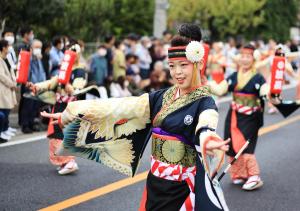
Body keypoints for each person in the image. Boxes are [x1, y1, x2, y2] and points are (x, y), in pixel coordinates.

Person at [41, 24, 230, 211]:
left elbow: (207, 123)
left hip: (183, 188)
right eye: (172, 66)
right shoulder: (161, 97)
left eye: (183, 65)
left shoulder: (204, 101)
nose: (177, 72)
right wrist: (74, 111)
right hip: (156, 182)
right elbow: (119, 106)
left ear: (198, 64)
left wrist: (208, 140)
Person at [209, 44, 271, 191]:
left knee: (245, 145)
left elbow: (265, 90)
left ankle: (254, 176)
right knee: (231, 145)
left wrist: (270, 93)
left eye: (248, 56)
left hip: (250, 116)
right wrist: (206, 83)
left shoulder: (258, 78)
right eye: (242, 56)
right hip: (234, 115)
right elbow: (220, 90)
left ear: (253, 59)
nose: (244, 59)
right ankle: (239, 173)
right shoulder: (234, 76)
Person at [27, 43, 87, 175]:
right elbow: (51, 83)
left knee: (63, 134)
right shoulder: (64, 69)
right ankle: (64, 161)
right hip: (59, 105)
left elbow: (77, 88)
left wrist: (68, 85)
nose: (70, 53)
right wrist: (36, 86)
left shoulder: (79, 71)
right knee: (56, 133)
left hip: (70, 107)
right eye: (68, 51)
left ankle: (70, 161)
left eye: (73, 51)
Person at [19, 39, 46, 133]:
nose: (38, 49)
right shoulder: (27, 58)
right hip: (29, 85)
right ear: (31, 48)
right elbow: (26, 72)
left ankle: (31, 124)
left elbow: (42, 72)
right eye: (36, 47)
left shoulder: (38, 58)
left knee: (34, 107)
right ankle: (25, 125)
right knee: (27, 106)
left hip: (37, 87)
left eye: (40, 48)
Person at [0, 40, 17, 141]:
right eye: (8, 46)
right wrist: (11, 84)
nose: (9, 48)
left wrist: (14, 82)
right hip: (3, 88)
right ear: (3, 48)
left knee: (7, 109)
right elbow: (1, 75)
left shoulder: (6, 58)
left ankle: (5, 129)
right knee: (3, 109)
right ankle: (2, 131)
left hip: (9, 87)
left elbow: (11, 72)